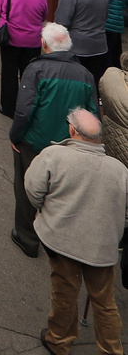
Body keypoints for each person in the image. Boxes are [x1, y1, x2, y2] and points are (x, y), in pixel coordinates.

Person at [24, 107, 127, 354]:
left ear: (72, 130)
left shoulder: (53, 156)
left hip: (62, 241)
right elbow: (126, 215)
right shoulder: (121, 171)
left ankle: (58, 341)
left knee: (65, 294)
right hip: (102, 248)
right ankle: (112, 351)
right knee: (105, 302)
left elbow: (33, 192)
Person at [10, 23, 99, 258]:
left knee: (27, 187)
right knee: (60, 193)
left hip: (35, 143)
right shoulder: (85, 75)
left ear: (44, 44)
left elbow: (24, 110)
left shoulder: (36, 70)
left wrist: (15, 136)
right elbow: (93, 115)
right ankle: (55, 243)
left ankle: (28, 239)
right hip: (69, 147)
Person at [0, 0, 50, 117]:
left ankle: (8, 107)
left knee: (9, 72)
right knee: (29, 74)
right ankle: (28, 106)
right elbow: (44, 15)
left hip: (10, 39)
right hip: (32, 41)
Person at [57, 0, 112, 81]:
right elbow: (105, 16)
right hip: (99, 46)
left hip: (77, 48)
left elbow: (62, 23)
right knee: (91, 84)